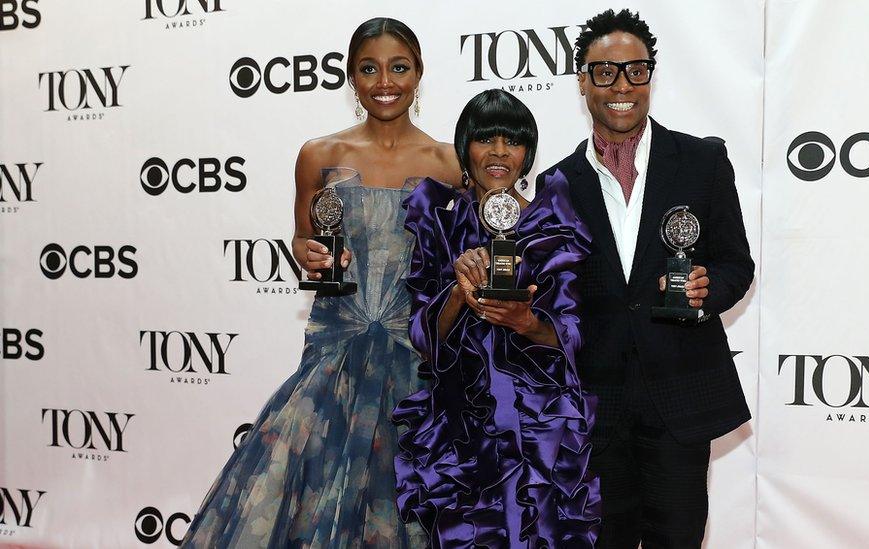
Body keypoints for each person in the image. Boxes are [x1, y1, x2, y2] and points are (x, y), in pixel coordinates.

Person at [181, 17, 460, 548]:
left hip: (417, 353)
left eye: (399, 67)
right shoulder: (319, 154)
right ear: (351, 78)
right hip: (337, 346)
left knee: (411, 497)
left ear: (419, 73)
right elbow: (303, 241)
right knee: (314, 487)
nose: (385, 81)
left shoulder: (448, 163)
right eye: (369, 69)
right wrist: (305, 253)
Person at [535, 9, 755, 548]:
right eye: (605, 72)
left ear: (651, 76)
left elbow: (736, 264)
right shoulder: (556, 183)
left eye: (636, 70)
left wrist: (707, 290)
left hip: (680, 395)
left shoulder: (703, 161)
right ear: (583, 80)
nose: (622, 85)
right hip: (596, 405)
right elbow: (555, 297)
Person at [393, 89, 601, 547]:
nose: (500, 152)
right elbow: (422, 335)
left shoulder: (552, 224)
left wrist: (526, 321)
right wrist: (458, 292)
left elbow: (569, 334)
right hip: (462, 423)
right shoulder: (441, 222)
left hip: (538, 421)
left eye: (514, 141)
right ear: (466, 147)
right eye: (486, 139)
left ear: (528, 153)